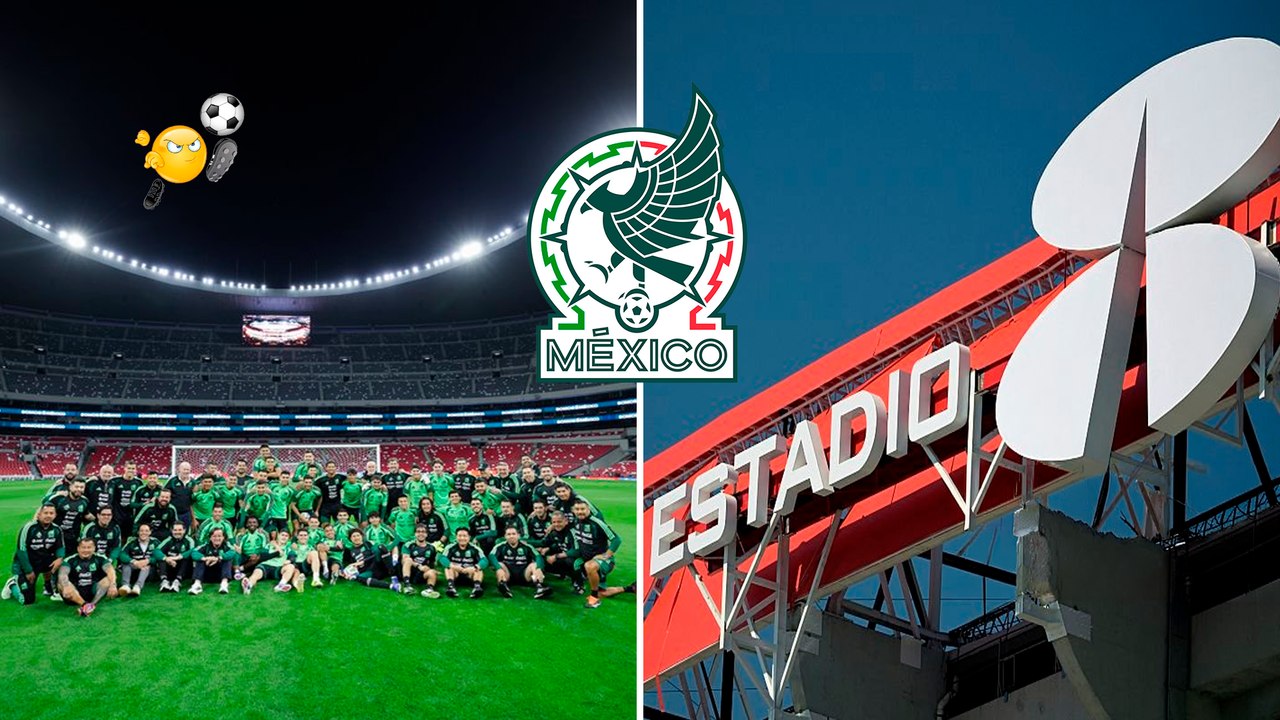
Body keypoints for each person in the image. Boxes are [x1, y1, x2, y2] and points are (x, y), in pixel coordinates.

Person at [569, 500, 633, 609]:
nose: (580, 512)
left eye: (583, 509)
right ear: (573, 511)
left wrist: (606, 555)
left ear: (588, 509)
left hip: (603, 562)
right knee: (601, 591)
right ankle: (630, 588)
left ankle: (594, 598)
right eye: (577, 509)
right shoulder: (575, 522)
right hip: (587, 559)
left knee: (589, 566)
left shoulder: (597, 523)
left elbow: (616, 539)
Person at [2, 504, 64, 605]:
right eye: (45, 513)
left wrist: (60, 558)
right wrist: (28, 571)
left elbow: (60, 547)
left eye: (51, 513)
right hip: (28, 564)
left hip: (44, 561)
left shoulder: (57, 529)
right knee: (27, 600)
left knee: (61, 563)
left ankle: (50, 587)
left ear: (55, 515)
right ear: (39, 515)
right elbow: (21, 551)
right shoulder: (29, 528)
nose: (48, 515)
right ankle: (12, 584)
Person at [58, 537, 117, 616]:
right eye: (83, 547)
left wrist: (113, 585)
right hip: (74, 593)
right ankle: (85, 605)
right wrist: (65, 586)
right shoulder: (70, 560)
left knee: (108, 579)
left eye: (89, 547)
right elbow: (62, 574)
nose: (86, 550)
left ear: (94, 548)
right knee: (61, 583)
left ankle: (91, 604)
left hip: (92, 591)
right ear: (78, 549)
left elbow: (110, 570)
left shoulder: (100, 558)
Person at [490, 526, 552, 599]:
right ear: (505, 536)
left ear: (518, 535)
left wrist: (539, 568)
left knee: (535, 565)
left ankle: (539, 588)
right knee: (500, 565)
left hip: (524, 574)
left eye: (513, 534)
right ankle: (504, 587)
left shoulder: (526, 546)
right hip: (508, 575)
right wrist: (498, 568)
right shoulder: (501, 546)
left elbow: (538, 556)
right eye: (508, 534)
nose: (511, 536)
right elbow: (491, 556)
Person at [539, 511, 582, 593]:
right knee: (542, 558)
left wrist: (556, 556)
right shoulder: (554, 532)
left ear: (566, 521)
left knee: (571, 561)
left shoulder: (572, 531)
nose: (556, 524)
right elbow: (544, 543)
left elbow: (577, 551)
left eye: (559, 522)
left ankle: (579, 584)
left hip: (581, 557)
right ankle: (540, 582)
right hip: (564, 555)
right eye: (554, 522)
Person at [442, 527, 486, 599]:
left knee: (479, 569)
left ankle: (477, 588)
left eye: (465, 536)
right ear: (456, 537)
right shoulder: (450, 547)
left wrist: (474, 567)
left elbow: (484, 560)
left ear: (469, 537)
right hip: (456, 574)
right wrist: (453, 566)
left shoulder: (475, 548)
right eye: (459, 536)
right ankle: (451, 587)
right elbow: (442, 558)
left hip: (470, 574)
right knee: (448, 567)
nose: (462, 538)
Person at [240, 525, 286, 594]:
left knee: (290, 567)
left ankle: (281, 585)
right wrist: (277, 553)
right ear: (279, 535)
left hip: (278, 567)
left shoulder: (289, 545)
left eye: (286, 536)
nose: (284, 537)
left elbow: (290, 556)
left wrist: (277, 547)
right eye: (282, 535)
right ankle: (249, 585)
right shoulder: (269, 545)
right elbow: (263, 556)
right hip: (265, 565)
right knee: (256, 573)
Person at [50, 478, 92, 554]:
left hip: (73, 537)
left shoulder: (85, 501)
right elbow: (43, 510)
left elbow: (87, 516)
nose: (79, 489)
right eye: (76, 487)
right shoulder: (58, 499)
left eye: (81, 487)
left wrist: (100, 519)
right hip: (56, 536)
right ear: (70, 487)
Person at [190, 527, 236, 595]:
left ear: (223, 537)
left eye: (219, 536)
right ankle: (197, 585)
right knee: (200, 559)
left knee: (227, 559)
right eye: (214, 536)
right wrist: (205, 558)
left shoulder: (227, 545)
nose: (217, 538)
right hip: (205, 575)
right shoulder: (205, 545)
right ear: (210, 538)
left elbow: (233, 552)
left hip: (221, 575)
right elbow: (194, 552)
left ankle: (224, 585)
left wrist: (218, 558)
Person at [399, 525, 441, 597]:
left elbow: (432, 564)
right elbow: (404, 560)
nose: (420, 534)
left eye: (423, 532)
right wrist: (419, 566)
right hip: (409, 571)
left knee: (432, 572)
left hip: (421, 574)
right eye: (418, 532)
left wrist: (432, 570)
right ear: (415, 534)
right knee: (408, 560)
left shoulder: (432, 548)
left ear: (426, 534)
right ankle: (407, 585)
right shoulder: (408, 545)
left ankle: (428, 590)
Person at [155, 522, 195, 593]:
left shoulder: (189, 540)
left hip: (183, 569)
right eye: (175, 530)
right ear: (172, 531)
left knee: (185, 558)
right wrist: (167, 559)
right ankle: (164, 582)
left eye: (180, 530)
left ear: (184, 530)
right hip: (170, 567)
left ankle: (177, 582)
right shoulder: (168, 539)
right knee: (161, 558)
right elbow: (156, 550)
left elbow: (192, 551)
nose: (177, 532)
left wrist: (176, 558)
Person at [363, 512, 399, 590]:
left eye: (376, 517)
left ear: (379, 519)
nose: (374, 520)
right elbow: (365, 542)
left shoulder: (385, 527)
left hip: (386, 549)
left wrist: (389, 548)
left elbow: (396, 538)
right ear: (369, 520)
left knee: (393, 546)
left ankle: (394, 561)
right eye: (372, 518)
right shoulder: (367, 529)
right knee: (379, 547)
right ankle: (392, 572)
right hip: (375, 551)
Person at [117, 523, 155, 596]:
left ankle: (137, 587)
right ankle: (125, 586)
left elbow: (159, 555)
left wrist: (148, 561)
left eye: (146, 531)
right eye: (141, 531)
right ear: (138, 532)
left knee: (146, 567)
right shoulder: (132, 542)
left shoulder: (155, 542)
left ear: (150, 532)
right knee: (126, 563)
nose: (144, 533)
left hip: (149, 572)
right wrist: (134, 562)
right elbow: (122, 554)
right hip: (134, 568)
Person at [110, 461, 142, 540]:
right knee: (115, 536)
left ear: (135, 470)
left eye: (133, 468)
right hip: (117, 515)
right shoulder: (115, 481)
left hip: (131, 515)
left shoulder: (138, 482)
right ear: (124, 468)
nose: (131, 470)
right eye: (129, 468)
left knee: (128, 537)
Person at [232, 515, 270, 580]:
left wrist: (257, 555)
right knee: (234, 554)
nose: (252, 524)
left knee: (263, 556)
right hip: (245, 556)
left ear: (258, 524)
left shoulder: (263, 534)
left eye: (254, 522)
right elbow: (239, 549)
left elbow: (266, 548)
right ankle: (237, 572)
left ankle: (241, 569)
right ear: (246, 524)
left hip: (258, 557)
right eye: (249, 522)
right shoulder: (241, 535)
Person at [166, 462, 196, 529]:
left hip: (186, 513)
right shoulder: (173, 481)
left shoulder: (193, 482)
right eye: (184, 469)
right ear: (179, 469)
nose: (186, 471)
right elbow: (165, 493)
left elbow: (194, 498)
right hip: (174, 512)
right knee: (173, 531)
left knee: (186, 531)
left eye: (188, 470)